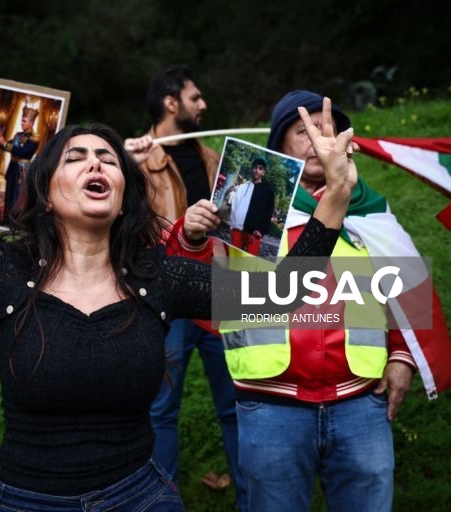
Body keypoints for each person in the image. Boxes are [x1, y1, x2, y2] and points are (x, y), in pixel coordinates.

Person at [0, 80, 353, 510]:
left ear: (124, 191)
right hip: (31, 501)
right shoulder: (4, 271)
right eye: (75, 157)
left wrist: (332, 200)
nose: (95, 162)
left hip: (141, 498)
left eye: (106, 157)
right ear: (47, 195)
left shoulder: (159, 277)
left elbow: (279, 296)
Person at [177, 90, 449, 511]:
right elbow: (203, 291)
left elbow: (402, 287)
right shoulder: (245, 203)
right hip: (271, 407)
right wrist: (192, 237)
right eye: (304, 131)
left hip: (360, 404)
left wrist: (401, 356)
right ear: (276, 147)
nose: (319, 140)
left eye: (329, 130)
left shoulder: (370, 210)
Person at [124, 65, 243, 506]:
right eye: (196, 98)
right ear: (171, 103)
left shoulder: (214, 159)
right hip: (165, 302)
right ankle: (161, 501)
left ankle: (252, 501)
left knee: (236, 405)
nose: (204, 105)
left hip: (220, 295)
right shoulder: (136, 161)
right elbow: (124, 231)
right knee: (160, 410)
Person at [0, 104, 40, 221]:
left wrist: (5, 144)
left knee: (17, 198)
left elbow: (23, 152)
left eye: (24, 121)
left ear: (31, 123)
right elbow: (7, 146)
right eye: (21, 120)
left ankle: (13, 222)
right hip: (12, 168)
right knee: (8, 195)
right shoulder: (18, 135)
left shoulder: (35, 138)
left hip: (22, 171)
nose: (21, 123)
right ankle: (5, 219)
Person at [228, 156, 275, 255]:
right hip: (237, 229)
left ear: (263, 172)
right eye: (255, 167)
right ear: (251, 169)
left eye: (260, 168)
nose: (256, 170)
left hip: (254, 233)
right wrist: (232, 225)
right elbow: (235, 206)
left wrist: (262, 230)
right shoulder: (243, 187)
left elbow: (268, 212)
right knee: (233, 258)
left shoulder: (267, 191)